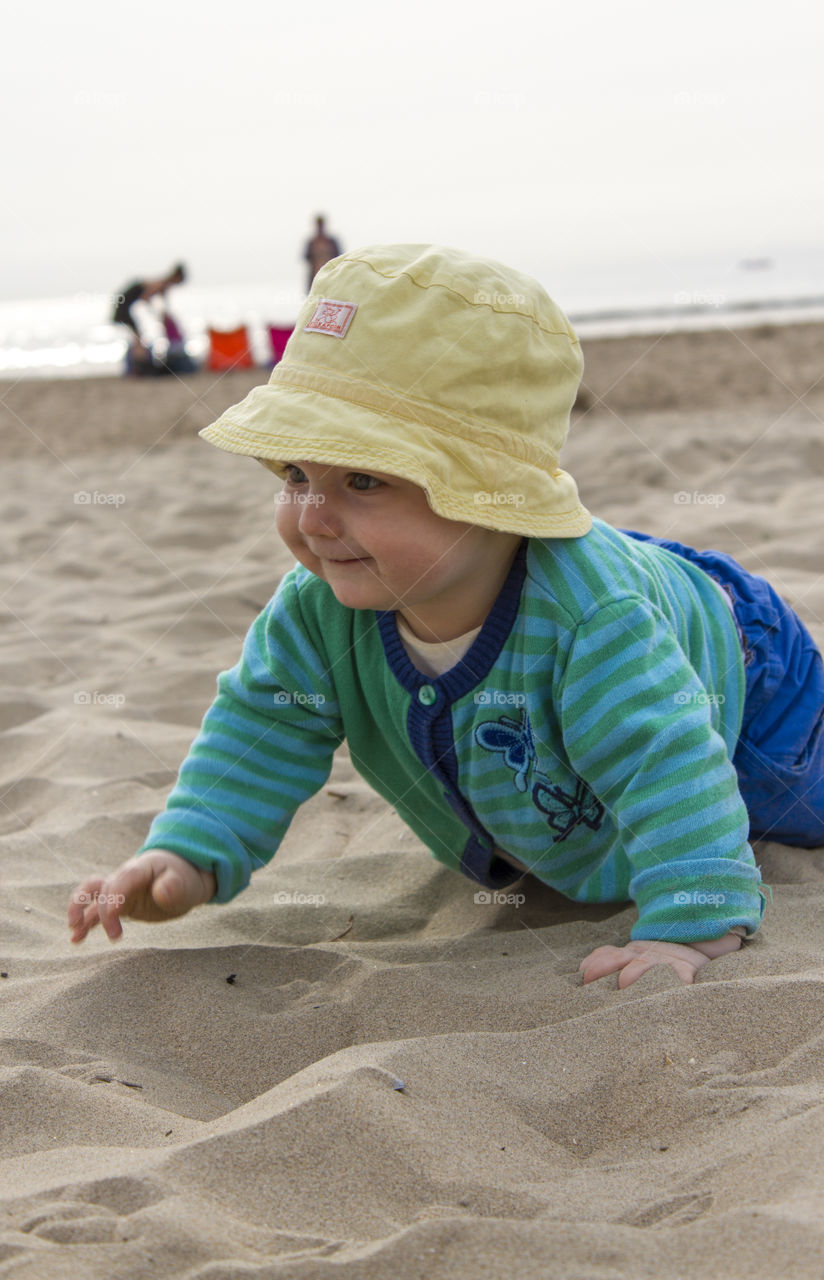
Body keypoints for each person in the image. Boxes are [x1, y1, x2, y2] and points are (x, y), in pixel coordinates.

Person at [69, 245, 824, 989]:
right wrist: (187, 856)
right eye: (296, 474)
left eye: (362, 480)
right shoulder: (315, 614)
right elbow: (263, 731)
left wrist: (689, 930)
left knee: (796, 809)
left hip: (750, 685)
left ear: (491, 497)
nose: (313, 517)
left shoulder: (594, 621)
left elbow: (664, 760)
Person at [112, 262, 187, 375]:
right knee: (138, 338)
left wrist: (161, 314)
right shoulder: (160, 284)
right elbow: (145, 297)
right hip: (123, 307)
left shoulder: (162, 285)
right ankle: (137, 367)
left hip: (124, 306)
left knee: (138, 337)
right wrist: (154, 312)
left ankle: (137, 366)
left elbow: (163, 305)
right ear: (176, 277)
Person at [303, 215, 341, 291]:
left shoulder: (331, 241)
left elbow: (339, 257)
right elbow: (306, 257)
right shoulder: (312, 242)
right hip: (315, 279)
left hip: (330, 278)